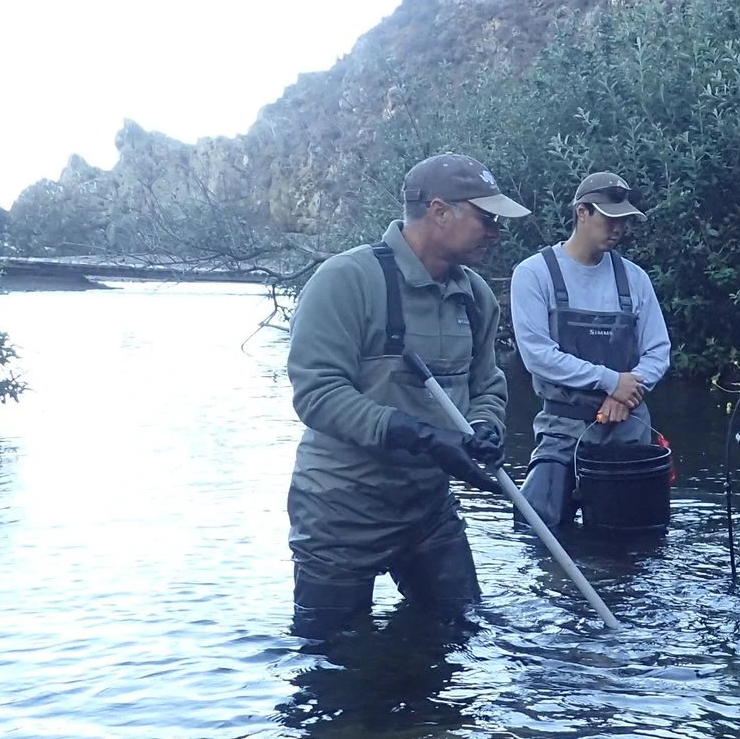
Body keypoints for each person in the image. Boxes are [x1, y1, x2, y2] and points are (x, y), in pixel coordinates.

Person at [284, 154, 527, 636]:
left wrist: (485, 427)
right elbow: (317, 393)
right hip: (339, 509)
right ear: (439, 211)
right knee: (334, 659)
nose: (496, 233)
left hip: (429, 510)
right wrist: (419, 434)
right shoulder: (345, 280)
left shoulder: (476, 297)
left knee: (459, 632)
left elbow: (487, 384)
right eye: (487, 219)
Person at [508, 170, 673, 530]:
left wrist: (625, 395)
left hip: (628, 429)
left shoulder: (636, 278)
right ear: (582, 212)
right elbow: (537, 356)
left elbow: (659, 351)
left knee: (634, 540)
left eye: (624, 220)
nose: (619, 228)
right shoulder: (533, 273)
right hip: (561, 429)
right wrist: (610, 381)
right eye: (610, 218)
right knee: (536, 527)